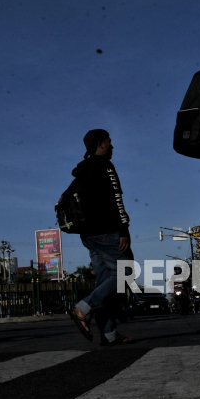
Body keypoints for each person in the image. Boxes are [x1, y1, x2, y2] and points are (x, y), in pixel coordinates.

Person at [68, 129, 134, 346]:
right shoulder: (106, 166)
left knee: (105, 283)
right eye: (109, 142)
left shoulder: (82, 170)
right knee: (126, 274)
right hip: (107, 231)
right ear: (101, 144)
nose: (112, 146)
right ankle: (83, 308)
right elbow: (116, 198)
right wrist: (123, 229)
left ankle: (109, 335)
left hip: (89, 236)